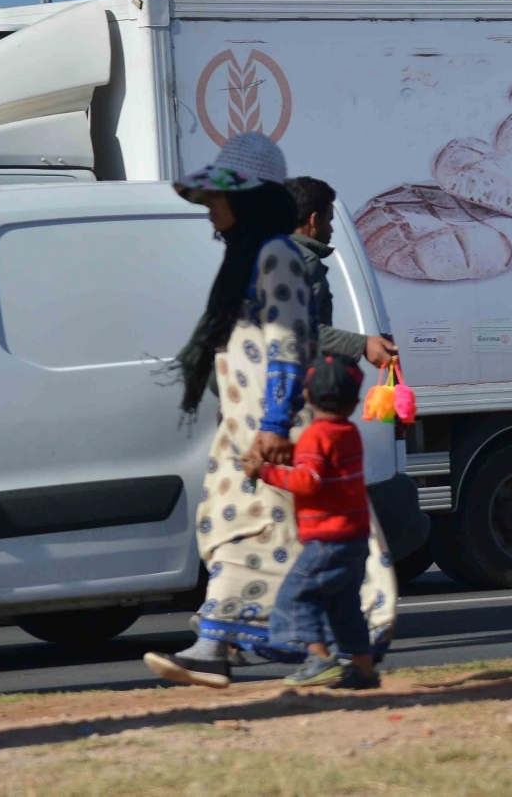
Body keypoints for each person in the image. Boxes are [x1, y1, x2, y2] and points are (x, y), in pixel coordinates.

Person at [144, 133, 396, 689]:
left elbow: (288, 343)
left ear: (247, 200)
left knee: (262, 535)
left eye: (217, 201)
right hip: (248, 429)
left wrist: (275, 426)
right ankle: (295, 650)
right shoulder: (252, 257)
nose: (211, 213)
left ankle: (225, 646)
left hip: (273, 428)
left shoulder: (275, 255)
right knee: (248, 534)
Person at [244, 355, 379, 689]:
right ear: (355, 400)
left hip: (327, 540)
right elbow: (322, 465)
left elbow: (309, 481)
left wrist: (265, 471)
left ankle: (320, 659)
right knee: (343, 605)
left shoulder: (315, 435)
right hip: (354, 538)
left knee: (298, 596)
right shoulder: (347, 432)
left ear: (306, 395)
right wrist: (291, 454)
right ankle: (362, 669)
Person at [284, 176, 398, 369]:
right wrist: (363, 344)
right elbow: (292, 329)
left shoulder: (264, 252)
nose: (330, 230)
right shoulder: (301, 259)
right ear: (314, 220)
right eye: (328, 221)